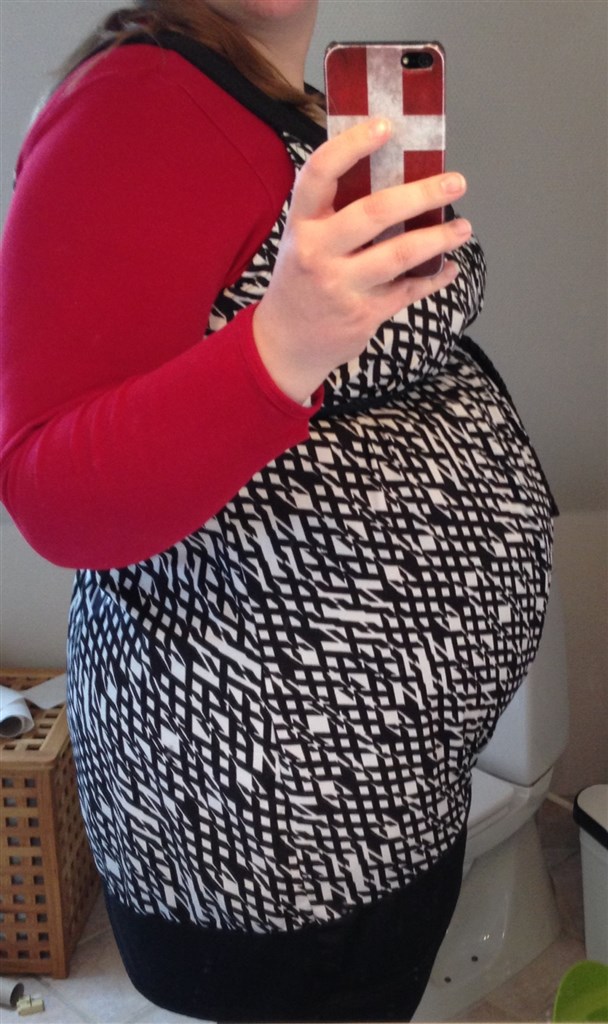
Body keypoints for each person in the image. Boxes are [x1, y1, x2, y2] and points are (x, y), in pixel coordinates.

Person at [0, 1, 557, 1020]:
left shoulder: (286, 105)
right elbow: (50, 492)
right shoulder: (130, 108)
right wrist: (282, 343)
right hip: (265, 822)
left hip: (381, 792)